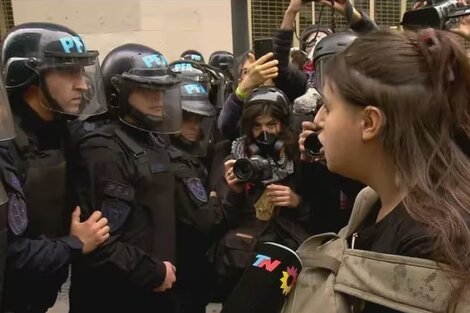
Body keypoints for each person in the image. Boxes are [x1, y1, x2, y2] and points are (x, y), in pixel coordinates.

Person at [310, 28, 470, 312]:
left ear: (370, 122)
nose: (318, 120)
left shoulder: (430, 242)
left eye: (328, 107)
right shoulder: (374, 201)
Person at [0, 22, 110, 313]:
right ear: (30, 77)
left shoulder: (64, 131)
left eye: (82, 71)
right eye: (68, 71)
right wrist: (75, 243)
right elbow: (7, 254)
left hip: (39, 296)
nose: (83, 84)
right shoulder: (5, 148)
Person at [69, 43, 181, 313]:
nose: (158, 98)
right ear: (120, 92)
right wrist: (152, 272)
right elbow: (101, 242)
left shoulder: (151, 138)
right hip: (117, 296)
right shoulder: (103, 149)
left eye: (162, 89)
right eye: (147, 89)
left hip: (153, 289)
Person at [216, 86, 309, 298]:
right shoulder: (234, 161)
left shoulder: (298, 160)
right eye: (257, 126)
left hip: (289, 255)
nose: (264, 132)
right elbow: (217, 222)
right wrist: (234, 192)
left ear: (283, 125)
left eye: (271, 124)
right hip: (244, 258)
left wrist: (298, 203)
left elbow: (323, 215)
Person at [170, 80, 223, 313]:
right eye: (186, 118)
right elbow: (206, 220)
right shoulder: (175, 161)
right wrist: (213, 197)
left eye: (198, 119)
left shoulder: (194, 154)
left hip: (193, 264)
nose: (194, 126)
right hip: (181, 262)